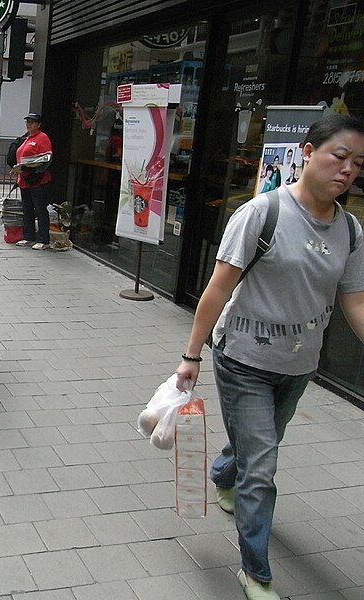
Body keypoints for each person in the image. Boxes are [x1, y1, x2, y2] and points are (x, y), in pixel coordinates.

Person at [175, 113, 364, 600]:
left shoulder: (352, 230)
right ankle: (255, 571)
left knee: (257, 444)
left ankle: (221, 474)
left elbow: (355, 300)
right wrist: (191, 355)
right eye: (339, 156)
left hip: (300, 363)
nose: (347, 170)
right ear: (307, 151)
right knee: (261, 465)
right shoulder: (261, 214)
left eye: (358, 164)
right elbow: (218, 287)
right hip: (243, 359)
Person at [13, 112, 53, 250]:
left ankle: (43, 239)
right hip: (25, 179)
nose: (29, 124)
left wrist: (33, 170)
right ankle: (28, 236)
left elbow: (45, 159)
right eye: (28, 121)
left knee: (40, 209)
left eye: (32, 121)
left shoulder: (42, 138)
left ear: (39, 124)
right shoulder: (27, 138)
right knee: (27, 209)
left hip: (37, 180)